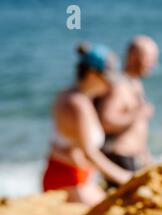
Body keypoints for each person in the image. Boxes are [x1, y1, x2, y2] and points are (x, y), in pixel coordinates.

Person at [43, 43, 133, 206]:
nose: (110, 86)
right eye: (108, 80)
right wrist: (125, 177)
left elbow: (61, 143)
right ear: (92, 74)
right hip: (70, 180)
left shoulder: (67, 94)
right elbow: (90, 152)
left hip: (71, 176)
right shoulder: (78, 103)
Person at [95, 35, 158, 188]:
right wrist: (138, 114)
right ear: (133, 57)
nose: (153, 64)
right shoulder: (119, 86)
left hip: (133, 158)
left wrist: (146, 156)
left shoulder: (134, 83)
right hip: (120, 158)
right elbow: (106, 121)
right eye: (149, 58)